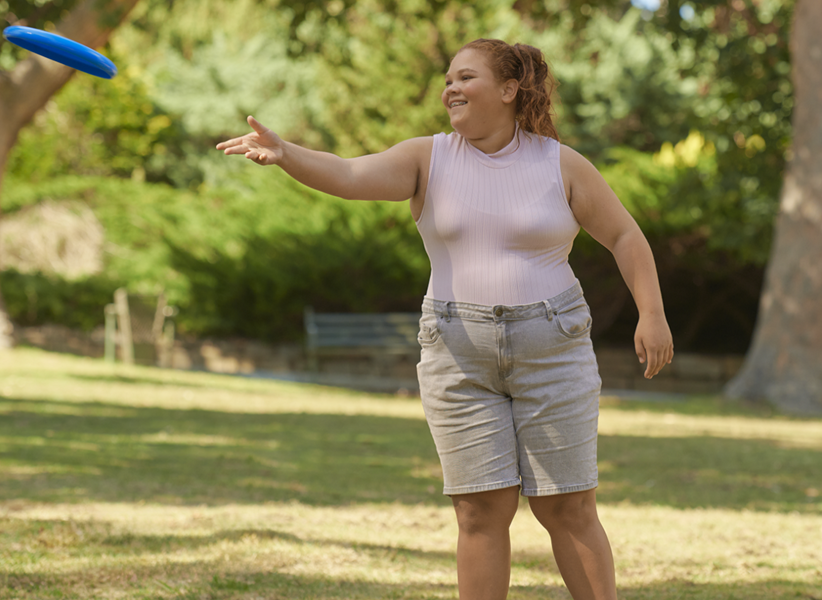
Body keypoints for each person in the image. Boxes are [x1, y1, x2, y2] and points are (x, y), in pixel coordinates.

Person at [216, 38, 674, 600]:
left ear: (509, 90)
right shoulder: (426, 158)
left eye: (466, 77)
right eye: (448, 79)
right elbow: (350, 175)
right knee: (480, 510)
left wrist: (651, 313)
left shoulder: (560, 163)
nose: (450, 88)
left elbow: (625, 235)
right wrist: (287, 153)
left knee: (566, 505)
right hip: (458, 352)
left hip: (552, 346)